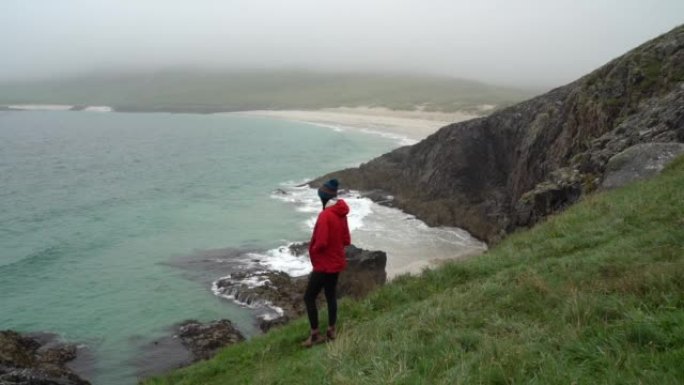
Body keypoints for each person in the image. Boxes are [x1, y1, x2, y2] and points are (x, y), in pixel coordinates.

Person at [302, 178, 351, 347]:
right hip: (336, 262)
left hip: (324, 264)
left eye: (320, 197)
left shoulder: (325, 215)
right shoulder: (341, 213)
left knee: (309, 297)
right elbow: (346, 240)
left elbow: (321, 243)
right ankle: (331, 330)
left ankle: (315, 335)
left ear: (324, 197)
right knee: (331, 296)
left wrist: (313, 250)